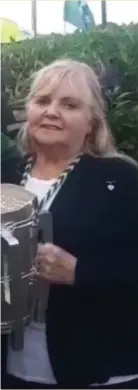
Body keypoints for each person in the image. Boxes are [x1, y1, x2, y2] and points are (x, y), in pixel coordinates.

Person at [1, 58, 138, 389]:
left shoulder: (121, 179)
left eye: (70, 104)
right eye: (42, 101)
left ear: (91, 121)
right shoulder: (6, 172)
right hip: (13, 368)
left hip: (99, 365)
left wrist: (79, 272)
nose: (51, 111)